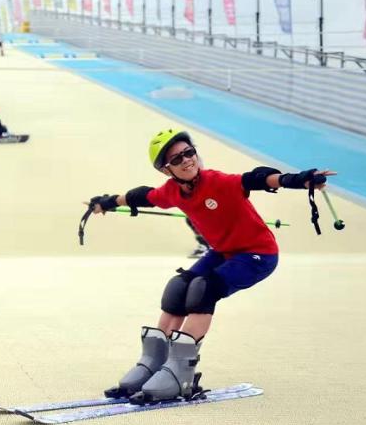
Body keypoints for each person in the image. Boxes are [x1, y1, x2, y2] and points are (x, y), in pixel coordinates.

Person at [87, 129, 335, 404]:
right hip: (225, 252)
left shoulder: (218, 182)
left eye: (188, 152)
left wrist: (298, 180)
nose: (186, 160)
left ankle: (180, 372)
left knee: (204, 289)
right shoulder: (172, 192)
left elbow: (256, 179)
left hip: (258, 254)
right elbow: (142, 196)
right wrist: (107, 202)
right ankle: (154, 363)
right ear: (166, 170)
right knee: (178, 287)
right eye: (176, 159)